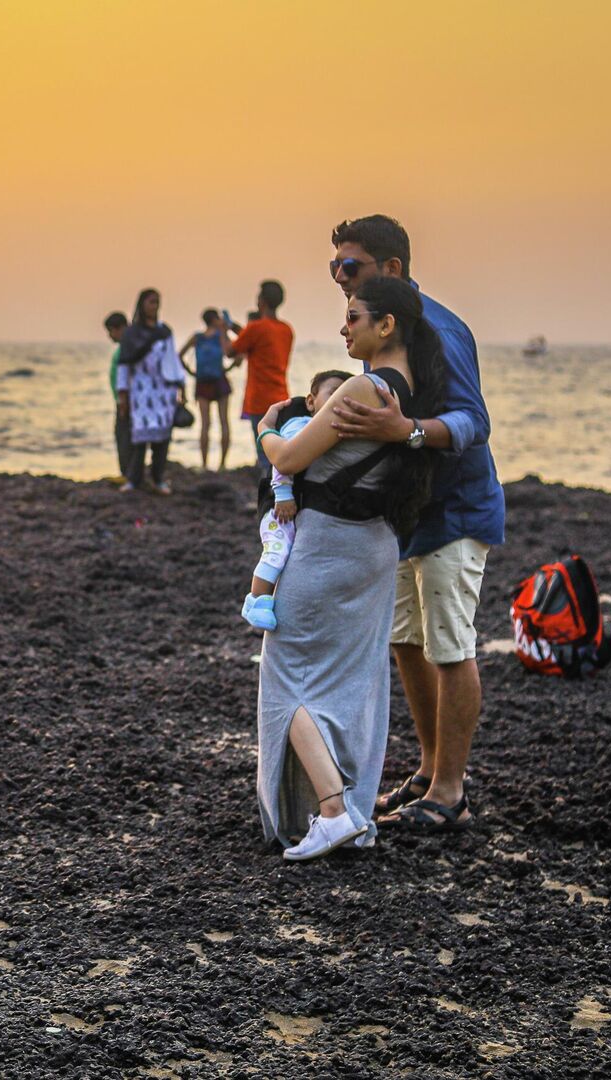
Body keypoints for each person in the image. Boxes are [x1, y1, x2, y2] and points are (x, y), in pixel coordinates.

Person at [254, 277, 444, 860]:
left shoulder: (363, 387)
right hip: (375, 547)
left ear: (386, 326)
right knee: (347, 683)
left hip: (327, 551)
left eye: (354, 317)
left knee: (287, 678)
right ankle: (342, 809)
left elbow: (289, 457)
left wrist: (266, 424)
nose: (344, 327)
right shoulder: (416, 389)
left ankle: (333, 811)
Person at [324, 214, 504, 833]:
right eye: (335, 269)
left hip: (457, 510)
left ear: (392, 268)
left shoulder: (440, 331)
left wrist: (408, 432)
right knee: (405, 640)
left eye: (352, 268)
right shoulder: (375, 325)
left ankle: (452, 790)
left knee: (451, 646)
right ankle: (429, 771)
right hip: (408, 514)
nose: (342, 282)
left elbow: (474, 422)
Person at [242, 370, 350, 631]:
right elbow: (282, 462)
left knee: (288, 554)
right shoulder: (299, 425)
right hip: (278, 504)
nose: (338, 400)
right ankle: (255, 601)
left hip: (290, 504)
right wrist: (283, 496)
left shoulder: (326, 429)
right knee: (276, 551)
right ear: (311, 402)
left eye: (345, 396)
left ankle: (269, 596)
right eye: (332, 393)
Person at [115, 289, 185, 495]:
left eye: (157, 302)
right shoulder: (132, 334)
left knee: (162, 439)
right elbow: (124, 365)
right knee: (139, 438)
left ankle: (158, 478)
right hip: (141, 392)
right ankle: (134, 480)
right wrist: (122, 395)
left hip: (164, 392)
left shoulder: (165, 332)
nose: (154, 306)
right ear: (142, 304)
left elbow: (173, 361)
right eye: (151, 302)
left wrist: (181, 386)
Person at [227, 280, 294, 491]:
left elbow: (230, 351)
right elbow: (256, 339)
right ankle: (283, 495)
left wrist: (222, 330)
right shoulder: (286, 330)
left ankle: (270, 501)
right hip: (282, 397)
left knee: (264, 457)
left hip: (259, 400)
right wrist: (235, 327)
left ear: (261, 301)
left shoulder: (255, 328)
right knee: (279, 454)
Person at [179, 309, 237, 470]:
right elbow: (235, 353)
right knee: (224, 422)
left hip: (202, 382)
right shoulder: (221, 336)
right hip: (220, 380)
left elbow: (179, 355)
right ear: (214, 320)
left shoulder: (197, 337)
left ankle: (204, 464)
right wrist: (230, 368)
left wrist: (191, 372)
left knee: (205, 424)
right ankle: (223, 464)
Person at [105, 311, 134, 490]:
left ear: (120, 328)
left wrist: (124, 400)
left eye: (111, 331)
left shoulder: (128, 347)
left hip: (126, 401)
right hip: (122, 400)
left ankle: (128, 475)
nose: (110, 336)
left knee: (124, 437)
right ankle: (127, 473)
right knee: (123, 436)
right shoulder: (125, 347)